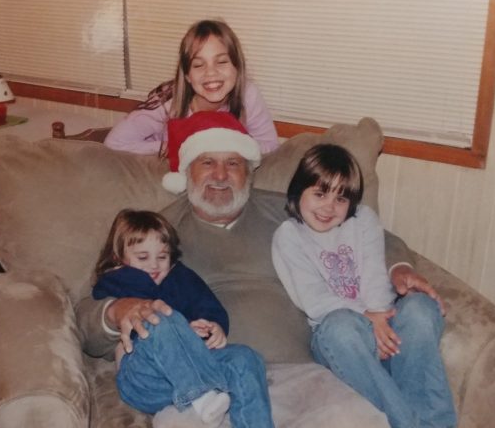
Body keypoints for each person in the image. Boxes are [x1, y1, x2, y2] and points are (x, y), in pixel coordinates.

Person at [76, 111, 444, 424]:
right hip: (207, 384)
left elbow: (370, 233)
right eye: (207, 162)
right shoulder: (158, 234)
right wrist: (118, 309)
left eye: (232, 163)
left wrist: (398, 267)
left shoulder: (288, 212)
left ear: (248, 173)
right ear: (187, 171)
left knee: (360, 421)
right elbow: (88, 311)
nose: (220, 175)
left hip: (304, 375)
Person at [271, 144, 456, 428]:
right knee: (340, 327)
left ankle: (437, 422)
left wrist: (379, 320)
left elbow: (374, 275)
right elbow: (314, 299)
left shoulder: (364, 220)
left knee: (421, 305)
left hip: (380, 319)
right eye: (320, 194)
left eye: (341, 199)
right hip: (338, 338)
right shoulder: (289, 236)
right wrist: (367, 321)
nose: (329, 207)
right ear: (298, 192)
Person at [92, 208, 273, 427]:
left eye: (162, 256)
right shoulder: (114, 281)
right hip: (145, 380)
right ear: (118, 257)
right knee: (158, 315)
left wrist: (211, 327)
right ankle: (201, 395)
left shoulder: (183, 278)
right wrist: (177, 326)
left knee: (245, 357)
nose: (154, 265)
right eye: (142, 257)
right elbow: (102, 316)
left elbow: (208, 306)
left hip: (194, 368)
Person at [103, 19, 279, 156]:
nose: (211, 73)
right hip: (163, 166)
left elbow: (270, 145)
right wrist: (172, 147)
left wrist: (230, 144)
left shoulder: (248, 94)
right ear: (187, 75)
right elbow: (114, 142)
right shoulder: (167, 103)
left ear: (237, 67)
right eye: (198, 65)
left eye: (222, 62)